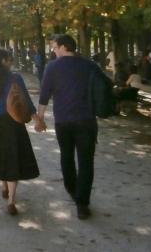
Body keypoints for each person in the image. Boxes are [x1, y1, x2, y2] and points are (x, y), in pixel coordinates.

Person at [37, 34, 106, 220]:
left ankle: (72, 190)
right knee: (86, 161)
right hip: (86, 120)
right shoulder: (89, 65)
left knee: (66, 156)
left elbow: (44, 95)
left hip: (63, 121)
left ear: (64, 46)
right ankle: (82, 203)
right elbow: (105, 85)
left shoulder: (52, 67)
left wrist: (40, 119)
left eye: (55, 47)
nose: (54, 50)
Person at [0, 49, 43, 216]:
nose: (11, 62)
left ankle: (4, 186)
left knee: (1, 155)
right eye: (9, 59)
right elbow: (27, 102)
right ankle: (11, 201)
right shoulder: (15, 78)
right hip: (14, 122)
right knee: (13, 157)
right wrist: (38, 120)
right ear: (3, 61)